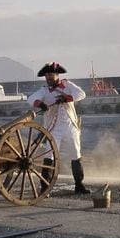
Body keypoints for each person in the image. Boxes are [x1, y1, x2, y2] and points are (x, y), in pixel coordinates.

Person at [27, 62, 89, 195]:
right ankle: (45, 189)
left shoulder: (68, 85)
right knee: (49, 156)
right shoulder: (44, 91)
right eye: (46, 75)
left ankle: (79, 185)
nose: (48, 77)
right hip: (53, 129)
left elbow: (81, 94)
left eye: (50, 75)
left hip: (70, 126)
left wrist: (67, 98)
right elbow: (31, 99)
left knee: (76, 155)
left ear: (57, 75)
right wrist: (40, 103)